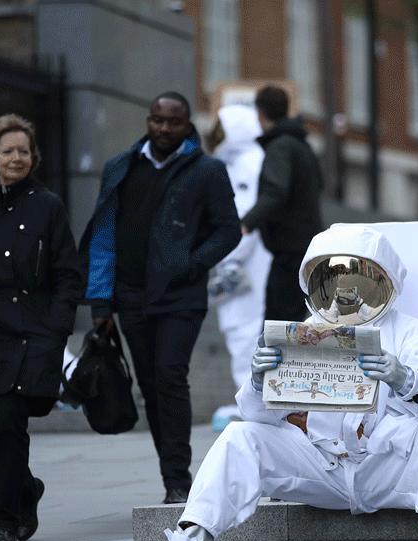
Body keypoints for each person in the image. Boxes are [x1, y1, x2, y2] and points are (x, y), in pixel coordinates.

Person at [134, 225, 418, 541]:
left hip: (384, 464)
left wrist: (404, 377)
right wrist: (258, 382)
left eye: (359, 284)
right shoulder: (303, 334)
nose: (345, 296)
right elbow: (259, 418)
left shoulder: (411, 333)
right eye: (333, 284)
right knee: (240, 436)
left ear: (385, 282)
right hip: (321, 465)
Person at [79, 91, 240, 504]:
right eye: (157, 120)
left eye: (173, 122)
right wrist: (100, 302)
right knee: (150, 386)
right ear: (148, 121)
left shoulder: (207, 171)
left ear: (187, 125)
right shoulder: (121, 166)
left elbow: (228, 230)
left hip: (180, 296)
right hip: (131, 297)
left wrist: (192, 264)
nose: (164, 128)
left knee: (170, 376)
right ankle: (171, 474)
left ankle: (177, 480)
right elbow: (104, 235)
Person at [0, 114, 82, 541]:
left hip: (32, 336)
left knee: (10, 425)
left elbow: (68, 274)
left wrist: (58, 329)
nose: (16, 158)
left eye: (23, 151)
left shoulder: (48, 206)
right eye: (7, 151)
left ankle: (2, 523)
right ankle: (26, 488)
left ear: (34, 157)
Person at [205, 104, 272, 432]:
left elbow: (243, 220)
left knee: (243, 331)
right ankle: (247, 398)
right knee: (242, 331)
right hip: (243, 262)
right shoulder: (241, 162)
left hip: (245, 265)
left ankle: (250, 402)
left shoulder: (247, 164)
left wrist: (226, 256)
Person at [240, 85, 324, 324]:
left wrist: (246, 223)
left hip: (289, 252)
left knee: (278, 325)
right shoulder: (302, 144)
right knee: (292, 321)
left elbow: (275, 190)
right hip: (306, 249)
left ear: (260, 113)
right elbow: (320, 183)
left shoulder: (280, 146)